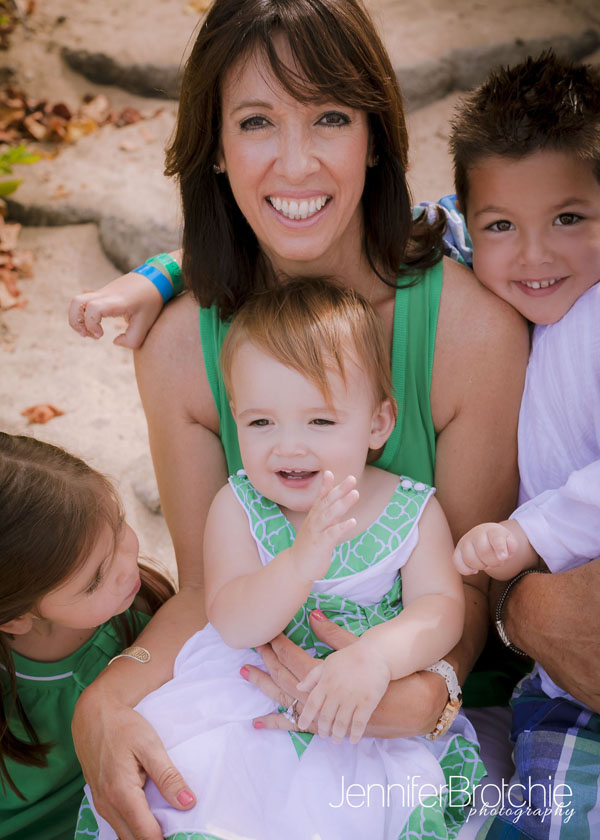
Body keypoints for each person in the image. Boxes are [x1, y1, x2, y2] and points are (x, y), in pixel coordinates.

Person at [67, 1, 529, 837]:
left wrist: (414, 696)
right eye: (255, 121)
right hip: (251, 696)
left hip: (421, 712)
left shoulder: (471, 333)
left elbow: (464, 590)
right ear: (212, 145)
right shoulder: (178, 347)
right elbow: (211, 591)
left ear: (378, 136)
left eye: (329, 117)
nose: (295, 162)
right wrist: (106, 699)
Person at [78, 278, 485, 840]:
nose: (288, 445)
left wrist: (377, 658)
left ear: (377, 423)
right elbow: (232, 618)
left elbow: (440, 607)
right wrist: (299, 563)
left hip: (364, 711)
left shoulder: (410, 509)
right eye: (261, 422)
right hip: (243, 702)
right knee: (215, 797)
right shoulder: (239, 505)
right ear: (235, 419)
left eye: (320, 421)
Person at [444, 53, 600, 839]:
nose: (534, 255)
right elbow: (382, 226)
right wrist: (163, 276)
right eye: (501, 226)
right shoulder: (481, 252)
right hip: (560, 672)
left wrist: (534, 532)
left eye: (570, 219)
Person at [0, 433, 175, 840]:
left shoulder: (140, 607)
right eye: (95, 579)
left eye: (119, 527)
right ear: (15, 618)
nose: (127, 566)